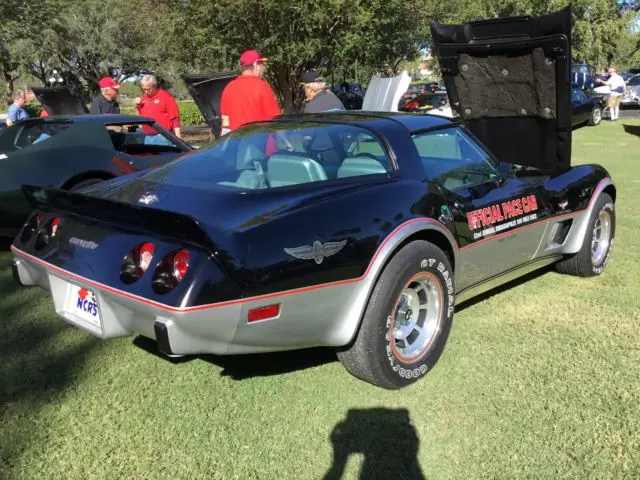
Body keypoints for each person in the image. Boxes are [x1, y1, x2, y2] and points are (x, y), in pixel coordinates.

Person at [220, 50, 281, 133]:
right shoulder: (262, 87)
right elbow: (275, 119)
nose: (263, 68)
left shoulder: (228, 88)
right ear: (256, 65)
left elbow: (225, 125)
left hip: (236, 143)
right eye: (261, 64)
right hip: (259, 142)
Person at [134, 74, 182, 139]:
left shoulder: (166, 97)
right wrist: (136, 107)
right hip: (147, 136)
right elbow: (139, 119)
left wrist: (178, 137)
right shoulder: (143, 98)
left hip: (163, 137)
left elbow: (175, 118)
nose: (146, 92)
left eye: (148, 89)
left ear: (155, 86)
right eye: (144, 89)